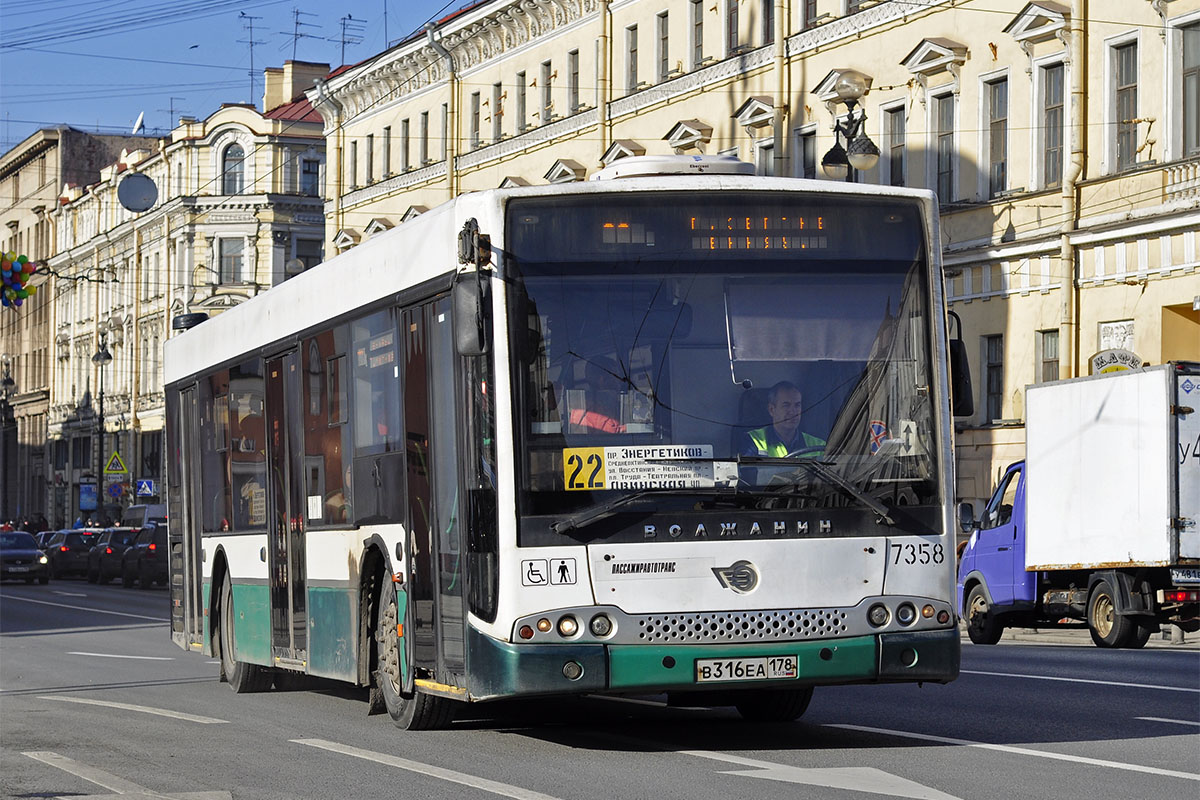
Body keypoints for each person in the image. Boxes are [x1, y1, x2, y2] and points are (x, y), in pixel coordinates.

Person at [739, 380, 825, 457]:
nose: (793, 412)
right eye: (786, 405)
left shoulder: (819, 445)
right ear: (771, 410)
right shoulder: (753, 440)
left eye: (797, 405)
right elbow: (748, 473)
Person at [566, 358, 626, 434]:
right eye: (616, 376)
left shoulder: (617, 405)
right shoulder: (586, 411)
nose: (620, 381)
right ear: (602, 379)